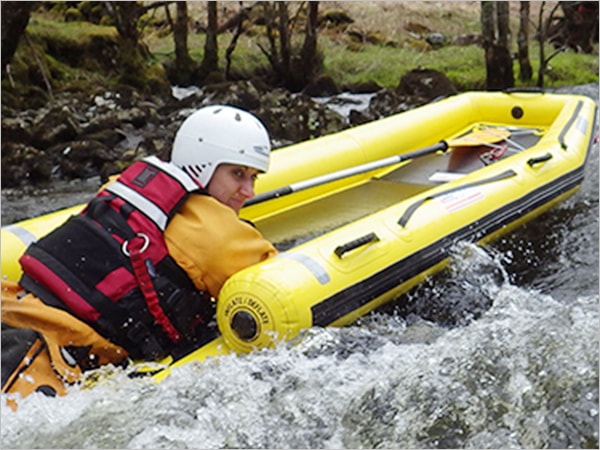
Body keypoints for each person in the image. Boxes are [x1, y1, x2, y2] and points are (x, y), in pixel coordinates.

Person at [1, 105, 278, 408]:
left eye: (253, 177)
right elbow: (279, 283)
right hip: (49, 358)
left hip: (15, 310)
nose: (248, 191)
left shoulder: (126, 187)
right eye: (237, 174)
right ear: (204, 166)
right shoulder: (217, 235)